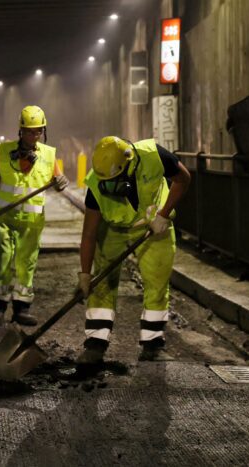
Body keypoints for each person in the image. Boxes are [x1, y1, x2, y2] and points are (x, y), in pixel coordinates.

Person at [75, 136, 191, 367]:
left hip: (153, 227)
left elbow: (184, 179)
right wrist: (85, 275)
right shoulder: (96, 185)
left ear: (129, 165)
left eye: (115, 180)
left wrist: (164, 214)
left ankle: (153, 344)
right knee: (102, 283)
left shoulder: (154, 155)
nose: (110, 187)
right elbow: (88, 235)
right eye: (105, 182)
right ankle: (95, 345)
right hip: (114, 228)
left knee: (156, 282)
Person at [0, 105, 69, 328]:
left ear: (43, 131)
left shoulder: (48, 154)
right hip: (4, 219)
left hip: (32, 222)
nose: (33, 135)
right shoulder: (5, 151)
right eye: (29, 131)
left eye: (37, 131)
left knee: (26, 263)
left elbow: (57, 181)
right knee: (4, 259)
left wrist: (61, 182)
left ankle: (21, 308)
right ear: (21, 131)